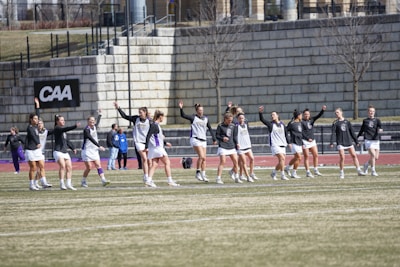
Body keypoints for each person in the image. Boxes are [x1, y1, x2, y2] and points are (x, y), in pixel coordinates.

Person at [178, 100, 217, 182]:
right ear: (197, 111)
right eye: (199, 110)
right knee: (201, 157)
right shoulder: (193, 118)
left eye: (202, 110)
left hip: (203, 140)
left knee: (204, 159)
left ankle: (203, 174)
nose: (201, 112)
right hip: (195, 139)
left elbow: (210, 128)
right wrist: (181, 108)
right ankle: (197, 172)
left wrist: (214, 138)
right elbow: (183, 115)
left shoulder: (206, 118)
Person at [114, 102, 151, 183]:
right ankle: (146, 176)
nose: (139, 114)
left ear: (145, 112)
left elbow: (153, 131)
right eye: (139, 112)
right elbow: (125, 116)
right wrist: (118, 108)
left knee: (148, 161)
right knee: (144, 158)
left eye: (141, 112)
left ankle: (148, 176)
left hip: (146, 142)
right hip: (138, 142)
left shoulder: (149, 121)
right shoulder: (136, 119)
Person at [145, 110, 180, 187]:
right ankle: (170, 180)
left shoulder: (155, 125)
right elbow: (148, 136)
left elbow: (157, 136)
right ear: (160, 117)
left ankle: (148, 180)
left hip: (155, 148)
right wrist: (146, 147)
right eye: (162, 117)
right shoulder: (155, 125)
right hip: (158, 148)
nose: (163, 118)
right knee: (167, 163)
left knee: (154, 164)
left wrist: (165, 142)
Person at [330, 108, 367, 179]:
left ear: (341, 112)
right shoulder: (335, 123)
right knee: (342, 157)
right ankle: (341, 172)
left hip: (348, 141)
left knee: (354, 155)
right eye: (335, 113)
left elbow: (352, 132)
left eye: (337, 112)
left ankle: (359, 170)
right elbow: (333, 133)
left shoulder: (347, 122)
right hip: (340, 142)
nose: (336, 114)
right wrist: (331, 142)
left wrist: (356, 141)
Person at [259, 106, 290, 181]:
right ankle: (282, 175)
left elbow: (286, 134)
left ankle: (274, 172)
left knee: (281, 161)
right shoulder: (270, 124)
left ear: (277, 116)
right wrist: (260, 112)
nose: (272, 116)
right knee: (282, 158)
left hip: (282, 144)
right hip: (275, 144)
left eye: (273, 114)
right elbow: (262, 120)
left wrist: (289, 143)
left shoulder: (282, 124)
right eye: (271, 115)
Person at [81, 115, 110, 188]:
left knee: (98, 165)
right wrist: (99, 146)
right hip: (87, 151)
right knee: (89, 167)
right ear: (88, 121)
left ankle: (103, 180)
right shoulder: (86, 130)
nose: (92, 122)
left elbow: (98, 122)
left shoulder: (94, 127)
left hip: (94, 150)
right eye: (91, 121)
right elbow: (91, 139)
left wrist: (100, 115)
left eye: (93, 120)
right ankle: (83, 180)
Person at [53, 114, 80, 190]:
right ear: (57, 122)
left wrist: (73, 148)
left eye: (63, 120)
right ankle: (62, 183)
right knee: (62, 166)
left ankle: (68, 183)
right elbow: (65, 129)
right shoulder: (57, 128)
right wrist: (75, 126)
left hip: (64, 151)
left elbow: (67, 141)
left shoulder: (63, 131)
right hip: (58, 151)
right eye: (61, 120)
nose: (63, 121)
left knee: (69, 167)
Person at [357, 105, 383, 176]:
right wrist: (356, 138)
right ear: (368, 112)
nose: (371, 112)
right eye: (370, 111)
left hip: (376, 140)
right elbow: (361, 130)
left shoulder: (377, 120)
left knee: (376, 157)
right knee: (373, 155)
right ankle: (373, 171)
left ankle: (366, 164)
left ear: (374, 112)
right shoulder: (365, 121)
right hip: (368, 140)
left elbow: (380, 127)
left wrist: (380, 130)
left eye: (373, 111)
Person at [301, 105, 326, 177]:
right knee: (306, 156)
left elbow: (318, 116)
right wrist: (307, 138)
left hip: (312, 141)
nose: (306, 115)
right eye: (305, 114)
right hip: (305, 141)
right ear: (303, 115)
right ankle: (308, 171)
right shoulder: (301, 122)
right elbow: (301, 132)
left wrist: (323, 110)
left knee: (316, 155)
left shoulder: (311, 120)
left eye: (308, 114)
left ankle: (315, 170)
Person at [215, 112, 240, 184]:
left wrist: (237, 143)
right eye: (229, 120)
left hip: (231, 146)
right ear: (225, 119)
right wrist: (223, 138)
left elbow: (235, 136)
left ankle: (237, 177)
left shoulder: (233, 126)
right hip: (223, 146)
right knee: (223, 161)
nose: (230, 122)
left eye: (231, 120)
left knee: (236, 161)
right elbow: (217, 135)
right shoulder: (220, 126)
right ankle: (218, 178)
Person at [24, 113, 46, 190]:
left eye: (37, 119)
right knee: (33, 167)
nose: (36, 120)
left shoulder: (36, 127)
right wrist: (38, 142)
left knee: (41, 165)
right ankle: (31, 184)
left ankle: (44, 182)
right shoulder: (30, 128)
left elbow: (38, 113)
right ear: (31, 119)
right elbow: (33, 136)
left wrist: (37, 106)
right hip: (30, 150)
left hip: (36, 150)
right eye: (35, 119)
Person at [35, 97, 53, 188]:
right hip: (35, 151)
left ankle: (35, 182)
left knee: (40, 168)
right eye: (38, 124)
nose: (39, 125)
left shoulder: (46, 131)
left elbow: (55, 131)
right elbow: (37, 117)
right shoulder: (35, 131)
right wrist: (37, 106)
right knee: (41, 167)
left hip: (42, 151)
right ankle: (43, 182)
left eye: (41, 123)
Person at [235, 113, 258, 182]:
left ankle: (251, 173)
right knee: (244, 161)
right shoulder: (236, 126)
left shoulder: (246, 125)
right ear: (237, 119)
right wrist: (237, 143)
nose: (241, 119)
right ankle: (247, 177)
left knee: (252, 159)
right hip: (240, 147)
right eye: (240, 118)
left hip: (247, 145)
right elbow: (235, 136)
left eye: (242, 118)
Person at [284, 110, 303, 179]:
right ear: (298, 116)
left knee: (296, 158)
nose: (302, 116)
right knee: (299, 157)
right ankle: (294, 173)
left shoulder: (301, 123)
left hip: (299, 142)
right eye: (301, 115)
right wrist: (288, 142)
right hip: (294, 142)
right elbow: (285, 132)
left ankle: (287, 168)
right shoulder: (291, 123)